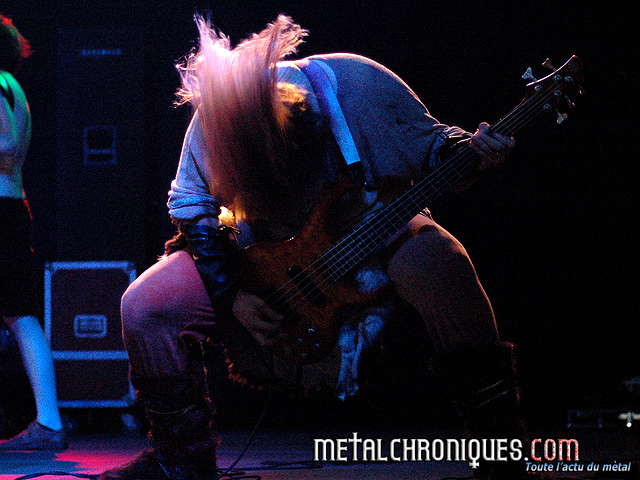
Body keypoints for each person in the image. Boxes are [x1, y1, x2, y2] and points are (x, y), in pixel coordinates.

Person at [100, 15, 528, 480]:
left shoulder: (359, 86)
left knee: (442, 264)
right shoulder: (216, 122)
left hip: (367, 224)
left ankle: (501, 455)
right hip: (263, 254)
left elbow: (432, 147)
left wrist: (471, 152)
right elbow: (191, 208)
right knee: (144, 305)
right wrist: (232, 295)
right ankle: (180, 462)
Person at [0, 14, 67, 451]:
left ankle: (48, 422)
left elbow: (5, 143)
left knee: (20, 317)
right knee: (20, 317)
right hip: (11, 207)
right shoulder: (14, 87)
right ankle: (48, 421)